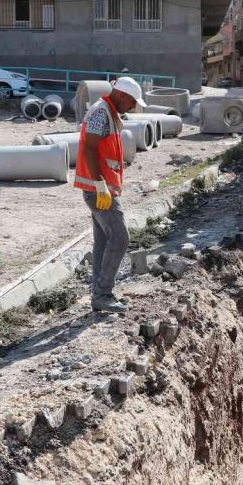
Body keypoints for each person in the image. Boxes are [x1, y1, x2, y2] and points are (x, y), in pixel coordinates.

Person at [74, 76, 146, 313]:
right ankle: (103, 294)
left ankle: (100, 294)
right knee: (120, 238)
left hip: (101, 189)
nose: (133, 107)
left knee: (104, 241)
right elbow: (89, 148)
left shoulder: (109, 113)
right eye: (132, 102)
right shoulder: (100, 112)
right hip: (98, 190)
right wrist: (100, 183)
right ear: (123, 96)